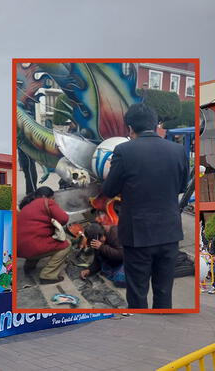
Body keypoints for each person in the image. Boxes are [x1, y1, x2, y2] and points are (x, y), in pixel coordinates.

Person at [103, 103, 189, 309]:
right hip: (169, 234)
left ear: (130, 128)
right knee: (163, 291)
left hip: (138, 235)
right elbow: (181, 187)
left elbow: (109, 190)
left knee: (137, 292)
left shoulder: (123, 150)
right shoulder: (178, 150)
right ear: (156, 124)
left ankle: (139, 333)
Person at [17, 186, 71, 284]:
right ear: (44, 196)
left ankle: (29, 266)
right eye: (52, 198)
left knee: (37, 239)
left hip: (18, 248)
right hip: (33, 246)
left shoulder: (27, 206)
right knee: (66, 244)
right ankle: (48, 275)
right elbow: (64, 219)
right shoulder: (46, 202)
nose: (53, 200)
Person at [79, 222, 125, 287]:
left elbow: (121, 255)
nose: (102, 241)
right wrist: (89, 270)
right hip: (114, 258)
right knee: (104, 267)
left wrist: (102, 247)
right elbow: (98, 259)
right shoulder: (96, 241)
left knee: (119, 279)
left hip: (127, 259)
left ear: (102, 235)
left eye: (101, 239)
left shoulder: (114, 233)